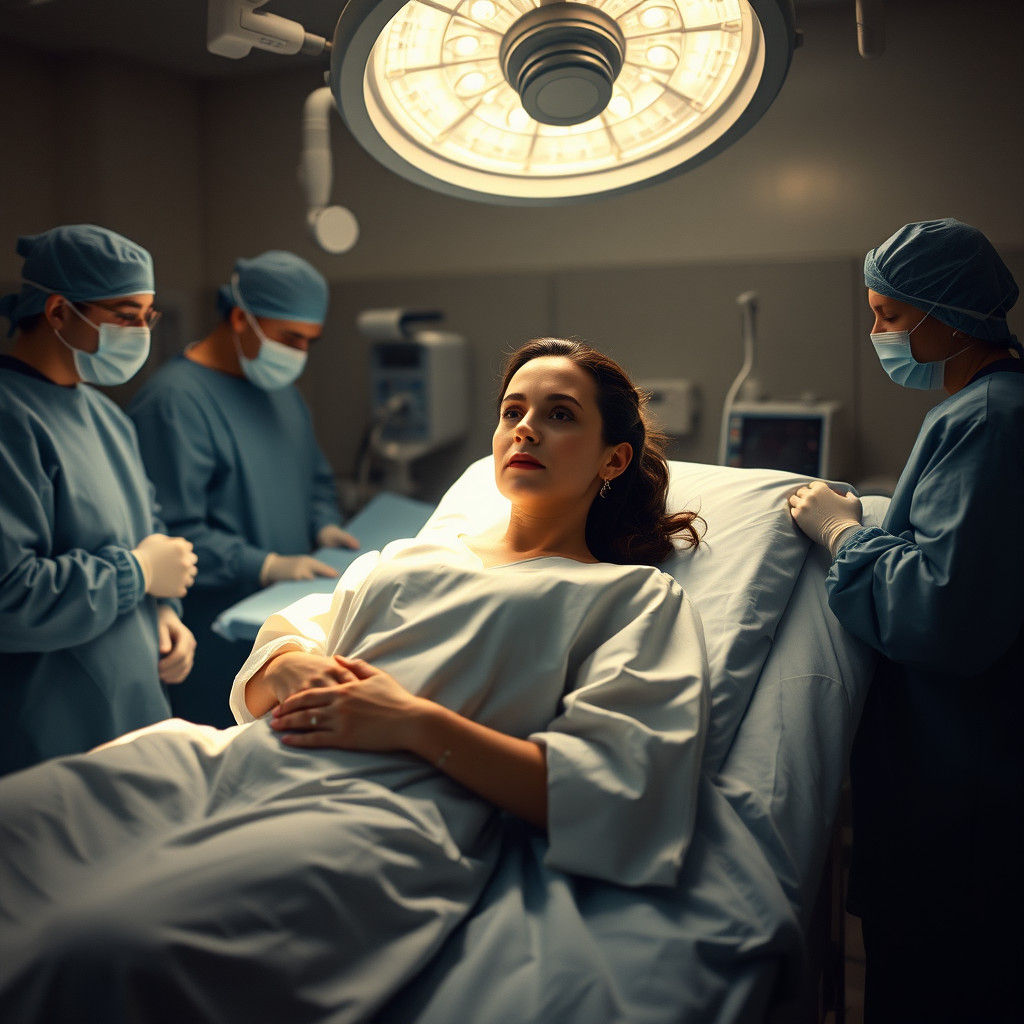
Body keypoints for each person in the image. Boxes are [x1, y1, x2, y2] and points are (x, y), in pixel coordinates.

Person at [0, 338, 709, 1023]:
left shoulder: (629, 598)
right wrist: (289, 665)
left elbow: (618, 789)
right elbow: (272, 661)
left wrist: (410, 721)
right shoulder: (408, 556)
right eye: (512, 410)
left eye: (559, 414)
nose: (525, 428)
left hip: (387, 814)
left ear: (613, 458)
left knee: (103, 948)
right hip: (239, 762)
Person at [788, 219, 1024, 1023]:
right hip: (953, 782)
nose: (877, 333)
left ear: (947, 315)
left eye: (888, 315)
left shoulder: (990, 420)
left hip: (964, 796)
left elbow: (943, 611)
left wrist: (843, 535)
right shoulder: (983, 410)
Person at [128, 250, 357, 728]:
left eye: (310, 341)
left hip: (281, 628)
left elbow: (313, 473)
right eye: (289, 337)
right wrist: (266, 564)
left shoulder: (281, 393)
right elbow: (171, 532)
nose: (299, 353)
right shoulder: (173, 402)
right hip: (215, 634)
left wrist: (324, 523)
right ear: (239, 317)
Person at [0, 224, 198, 776]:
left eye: (147, 317)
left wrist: (163, 609)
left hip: (133, 718)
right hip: (46, 737)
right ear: (58, 312)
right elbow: (10, 597)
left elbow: (144, 529)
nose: (141, 331)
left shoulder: (108, 417)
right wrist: (137, 575)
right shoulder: (9, 420)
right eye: (125, 315)